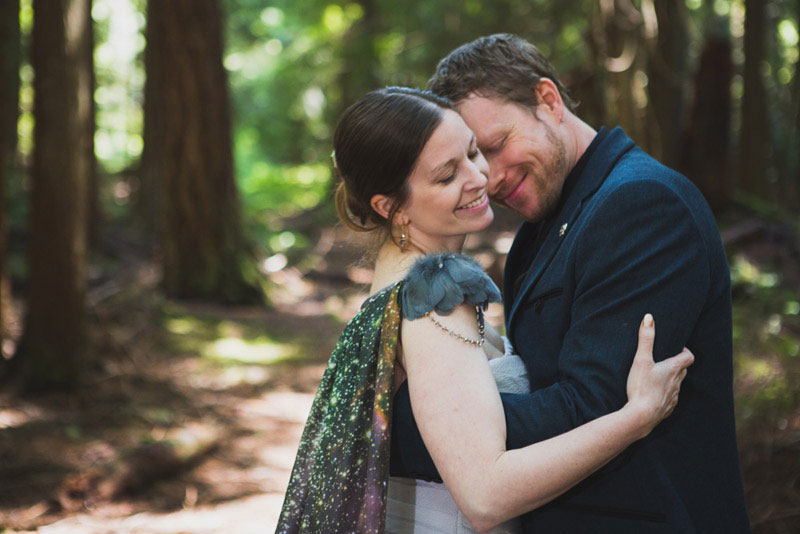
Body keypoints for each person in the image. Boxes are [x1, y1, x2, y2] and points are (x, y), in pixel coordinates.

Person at [276, 87, 693, 534]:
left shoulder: (391, 289)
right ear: (390, 207)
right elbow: (485, 497)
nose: (479, 178)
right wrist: (636, 417)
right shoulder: (433, 295)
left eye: (473, 152)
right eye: (446, 175)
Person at [390, 34, 751, 532]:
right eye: (474, 157)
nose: (489, 178)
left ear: (548, 100)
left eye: (495, 146)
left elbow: (592, 406)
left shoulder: (643, 203)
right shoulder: (540, 229)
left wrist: (397, 426)